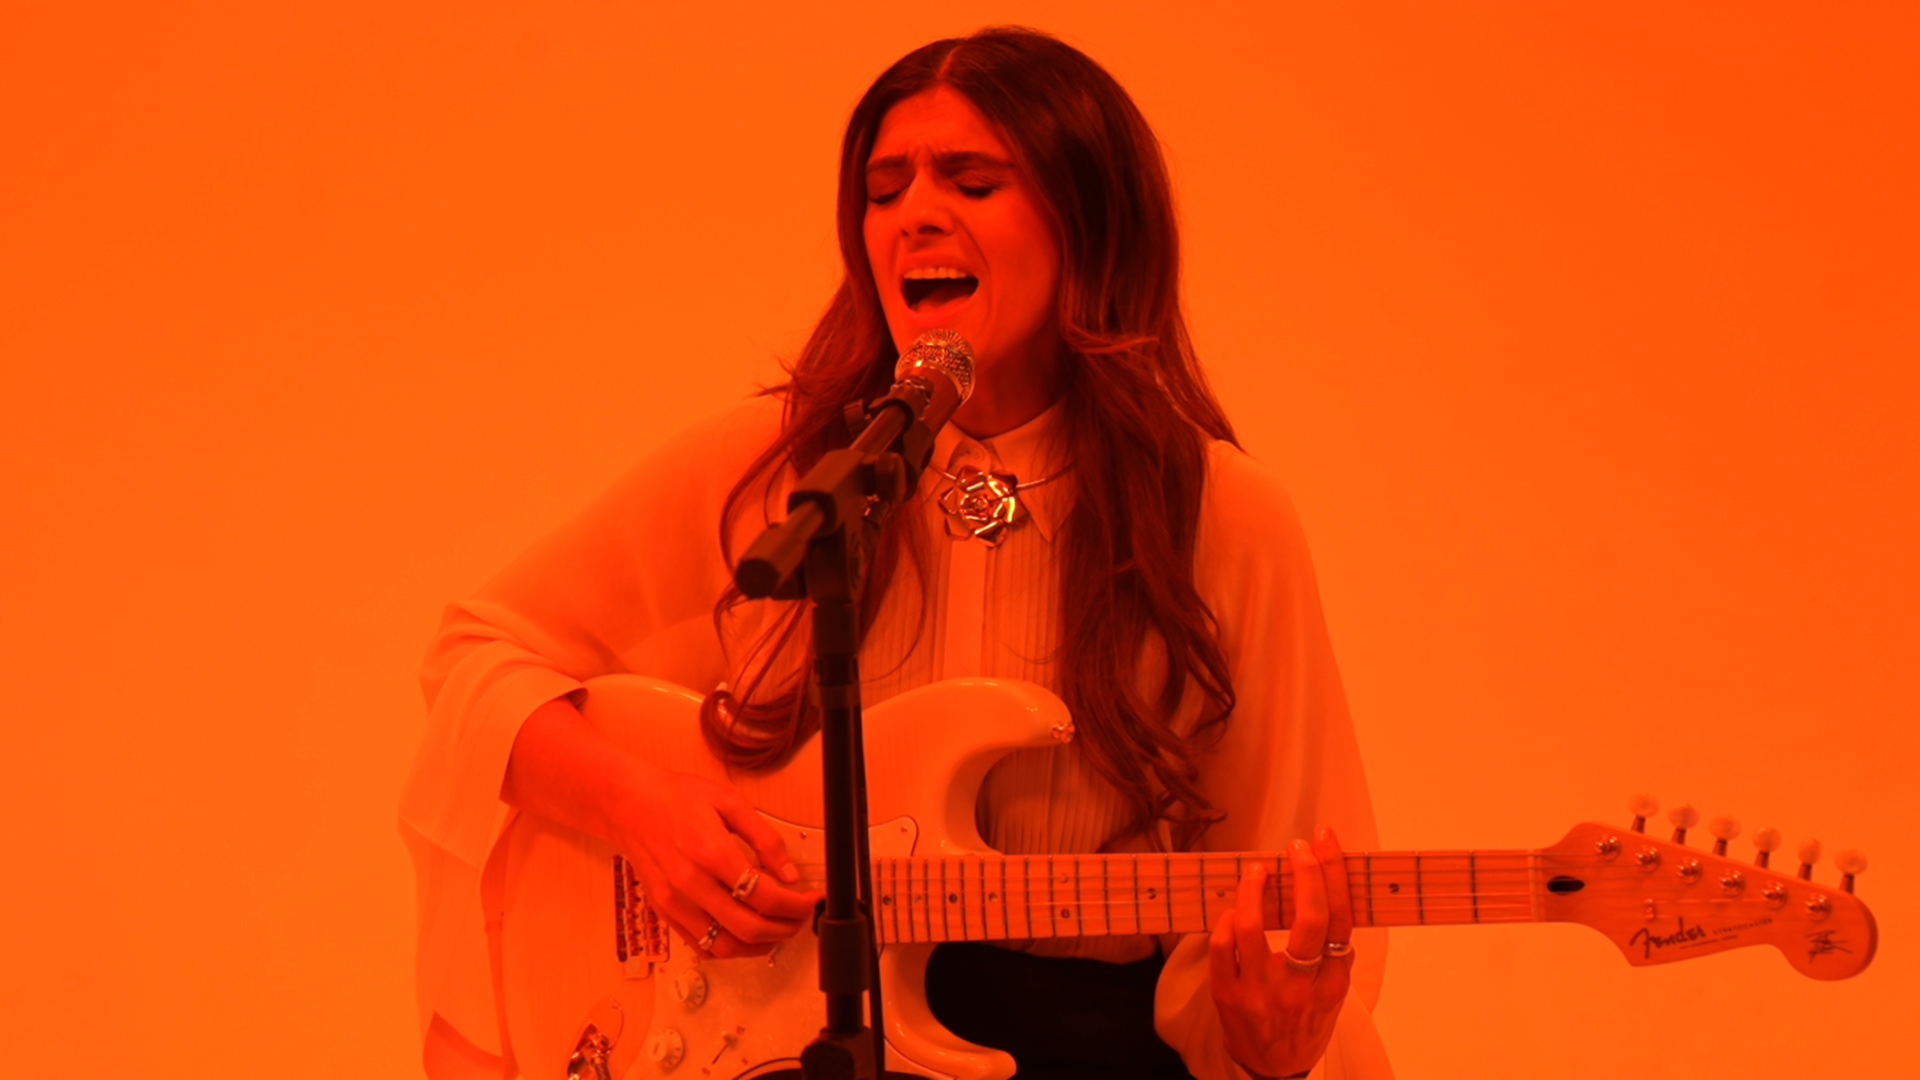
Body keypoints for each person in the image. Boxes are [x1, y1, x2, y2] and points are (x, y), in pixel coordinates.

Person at [401, 26, 1393, 1080]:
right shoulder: (782, 466)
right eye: (884, 189)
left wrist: (1271, 1038)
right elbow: (475, 659)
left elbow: (1284, 879)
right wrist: (646, 814)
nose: (915, 213)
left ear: (1090, 222)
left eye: (971, 180)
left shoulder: (1220, 516)